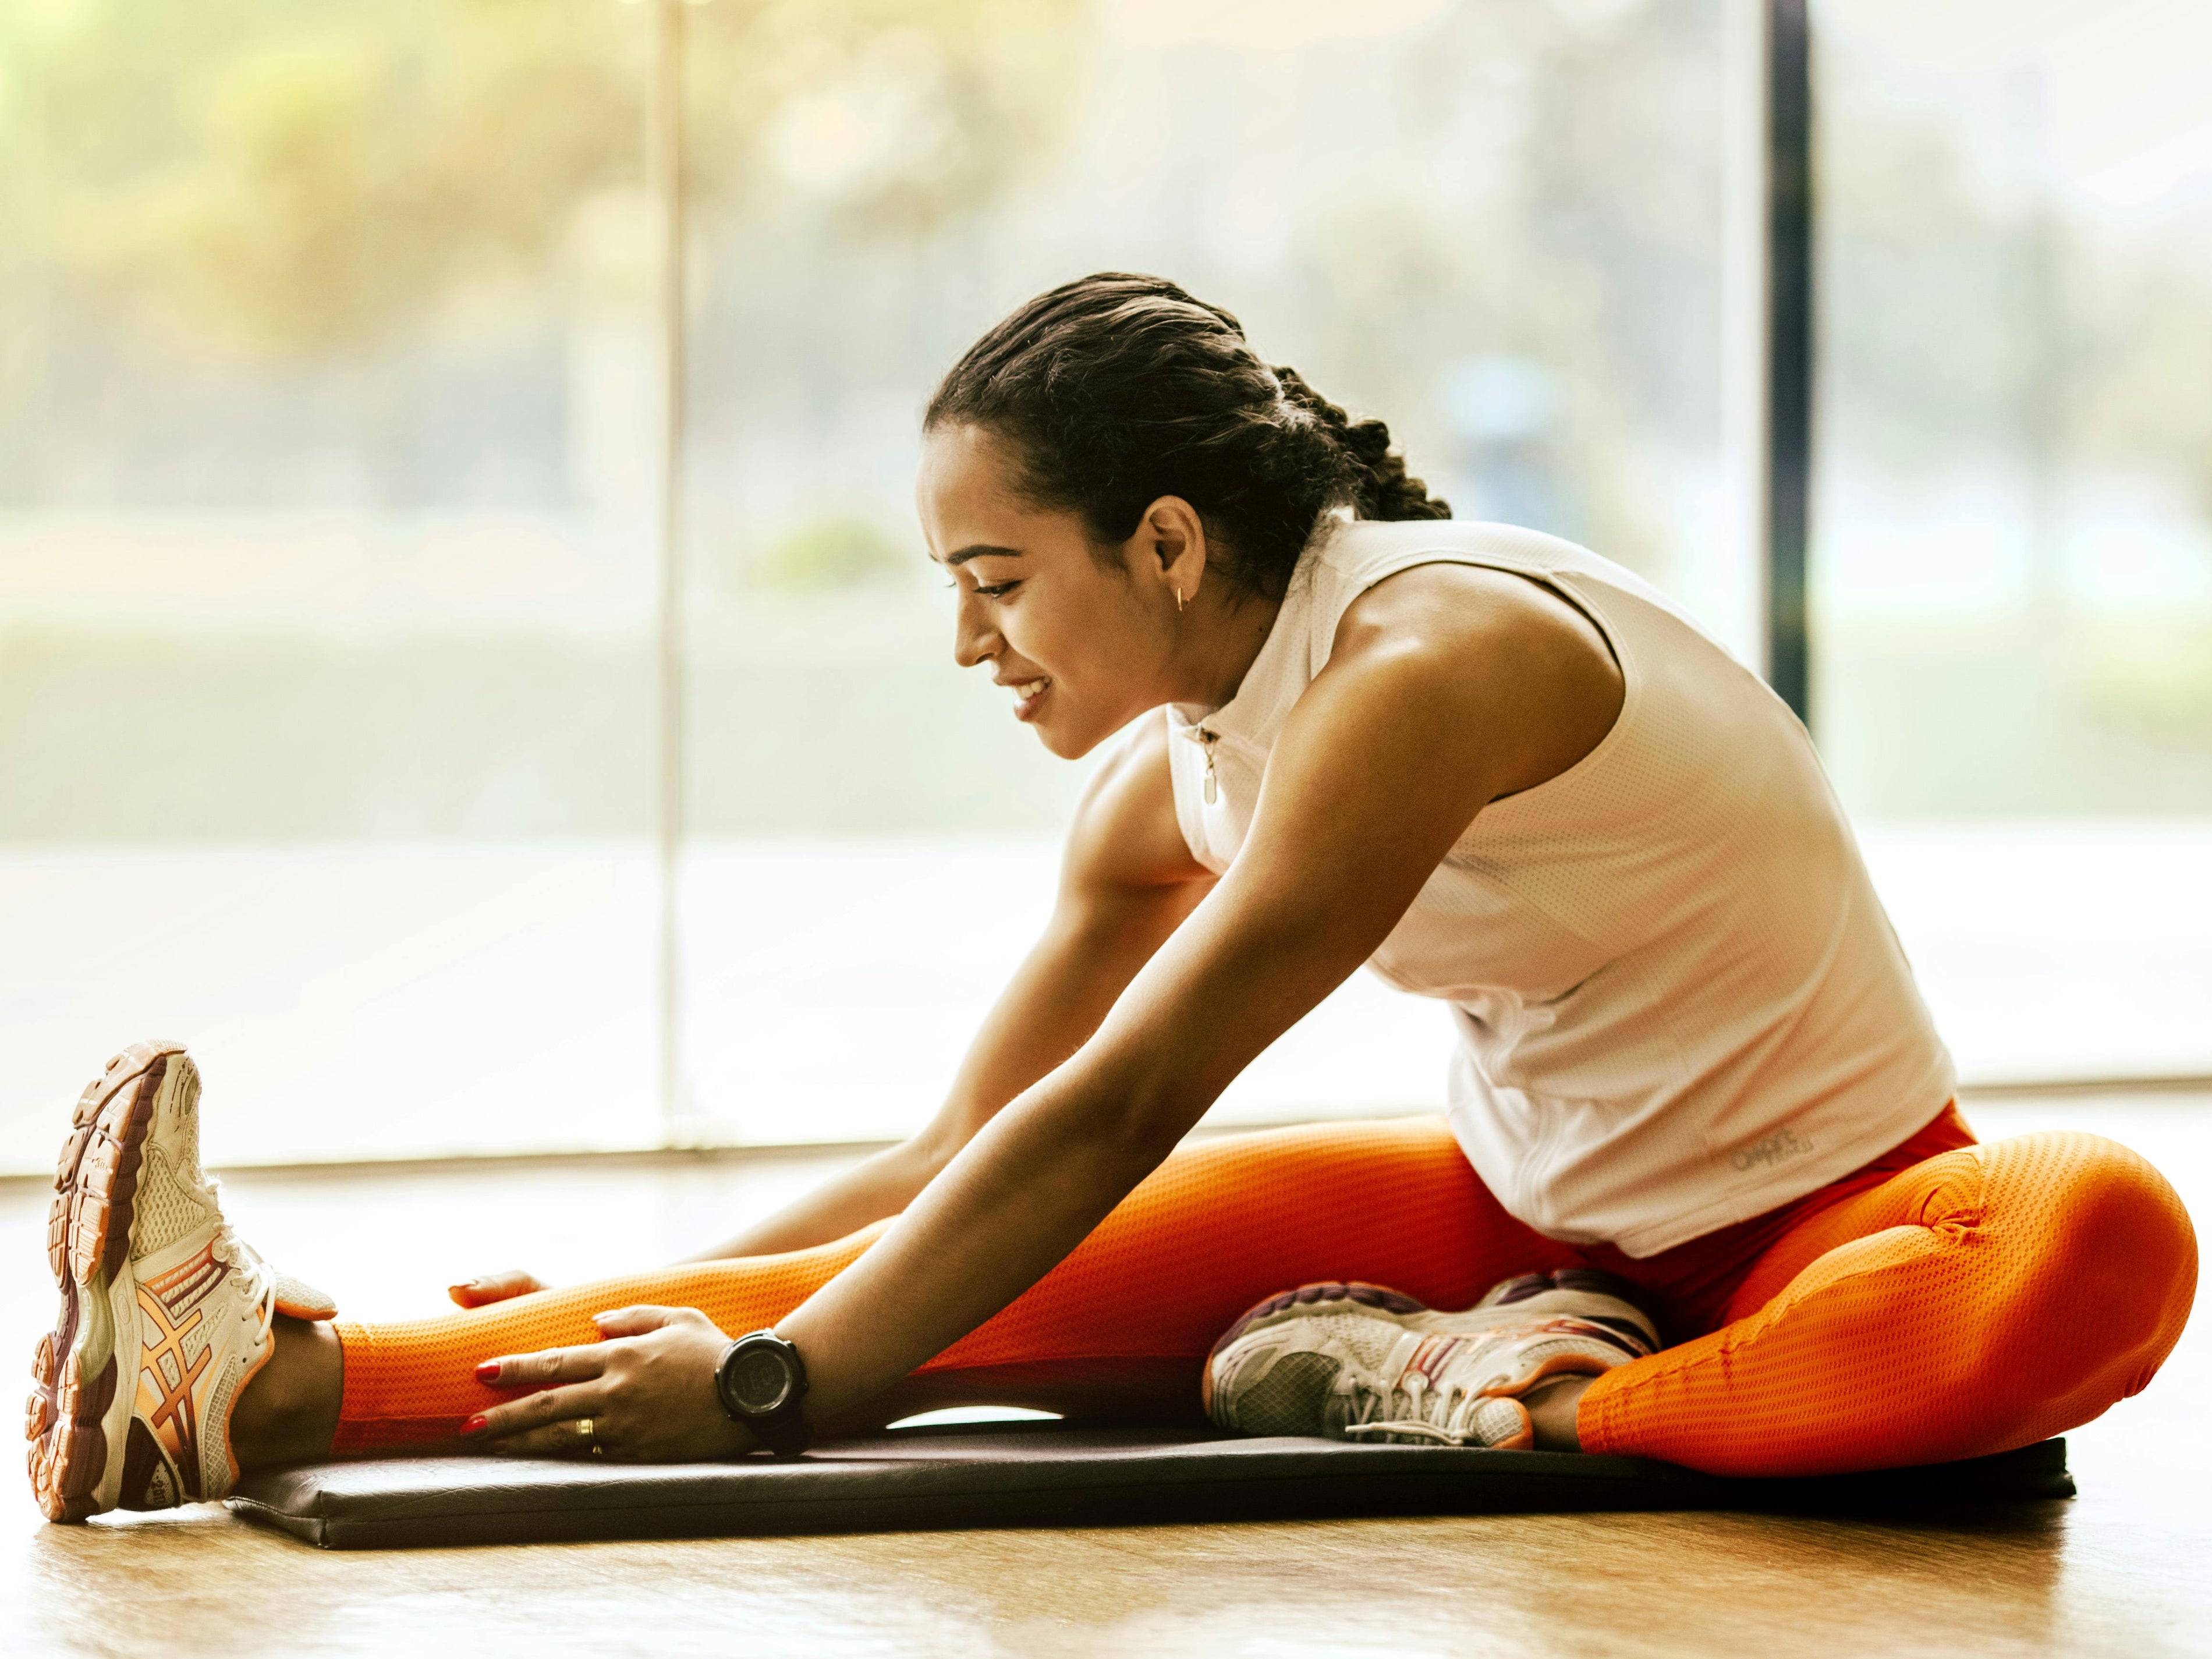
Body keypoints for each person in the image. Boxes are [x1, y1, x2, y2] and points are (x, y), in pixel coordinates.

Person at [27, 274, 2196, 1523]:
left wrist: (789, 1386)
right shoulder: (1172, 778)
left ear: (1164, 543)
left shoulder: (1431, 670)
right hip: (1526, 1224)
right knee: (898, 1271)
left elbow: (1137, 1092)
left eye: (998, 579)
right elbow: (959, 1165)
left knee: (2106, 1232)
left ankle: (1507, 1397)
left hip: (1840, 1221)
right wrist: (660, 1295)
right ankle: (234, 1383)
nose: (971, 642)